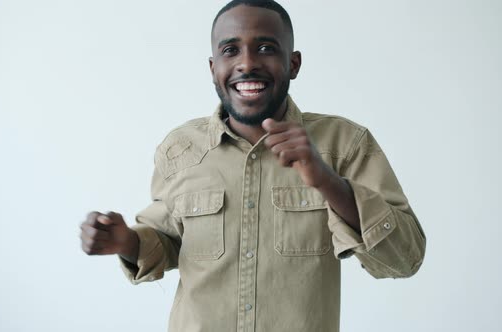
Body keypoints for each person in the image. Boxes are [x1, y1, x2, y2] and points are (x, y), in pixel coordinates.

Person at [79, 0, 426, 331]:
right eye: (230, 50)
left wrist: (326, 180)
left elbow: (405, 259)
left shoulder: (345, 144)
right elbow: (167, 241)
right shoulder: (179, 148)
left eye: (265, 48)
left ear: (293, 63)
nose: (247, 63)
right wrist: (125, 241)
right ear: (213, 68)